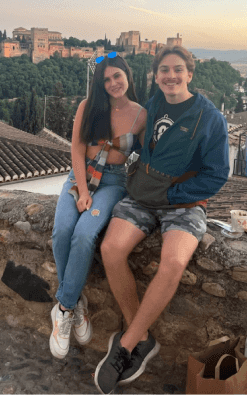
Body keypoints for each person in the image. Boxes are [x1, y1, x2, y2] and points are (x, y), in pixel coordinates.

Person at [94, 46, 230, 395]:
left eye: (178, 70)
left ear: (190, 74)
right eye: (164, 70)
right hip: (142, 193)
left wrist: (172, 196)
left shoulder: (210, 118)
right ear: (155, 76)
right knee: (110, 249)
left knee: (172, 263)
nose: (171, 76)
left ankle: (125, 345)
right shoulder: (153, 103)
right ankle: (143, 336)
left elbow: (216, 175)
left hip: (182, 202)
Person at [50, 52, 146, 359]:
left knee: (85, 234)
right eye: (106, 80)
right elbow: (77, 149)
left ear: (127, 76)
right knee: (63, 229)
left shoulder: (140, 115)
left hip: (113, 182)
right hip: (80, 176)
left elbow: (148, 158)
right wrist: (80, 191)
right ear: (100, 84)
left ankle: (63, 307)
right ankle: (76, 305)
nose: (113, 83)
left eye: (117, 76)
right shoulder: (87, 107)